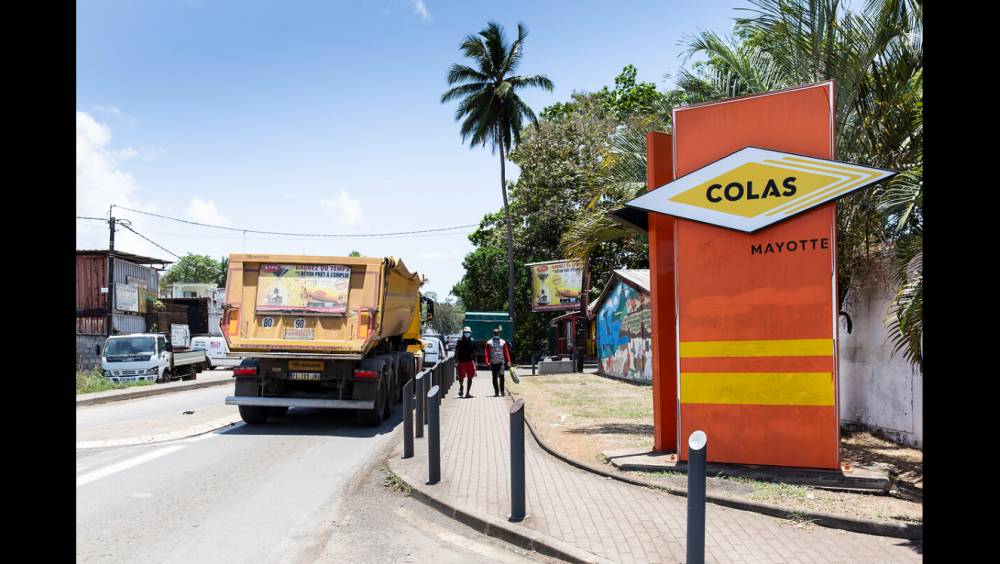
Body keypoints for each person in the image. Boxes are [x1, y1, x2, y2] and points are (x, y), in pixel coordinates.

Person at [484, 328, 511, 397]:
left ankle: (502, 391)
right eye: (495, 333)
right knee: (494, 377)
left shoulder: (503, 342)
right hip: (493, 362)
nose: (496, 334)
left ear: (499, 334)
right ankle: (496, 391)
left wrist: (508, 361)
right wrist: (487, 362)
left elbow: (506, 352)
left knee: (502, 376)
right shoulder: (489, 342)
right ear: (493, 334)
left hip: (501, 362)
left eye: (497, 333)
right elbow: (486, 353)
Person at [455, 326, 477, 398]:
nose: (467, 334)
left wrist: (475, 361)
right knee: (461, 377)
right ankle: (461, 386)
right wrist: (456, 361)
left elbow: (474, 352)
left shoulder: (472, 341)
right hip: (461, 361)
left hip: (470, 361)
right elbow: (457, 352)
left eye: (468, 333)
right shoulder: (459, 341)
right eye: (466, 333)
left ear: (470, 333)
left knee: (470, 377)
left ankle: (467, 393)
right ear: (463, 333)